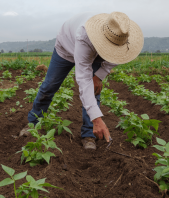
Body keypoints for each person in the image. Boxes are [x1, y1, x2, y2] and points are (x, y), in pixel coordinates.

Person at [19, 12, 144, 150]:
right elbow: (84, 80)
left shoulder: (123, 37)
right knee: (49, 85)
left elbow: (117, 58)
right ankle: (33, 122)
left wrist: (99, 76)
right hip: (67, 48)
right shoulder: (85, 35)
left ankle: (88, 134)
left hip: (97, 54)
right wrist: (97, 119)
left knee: (94, 90)